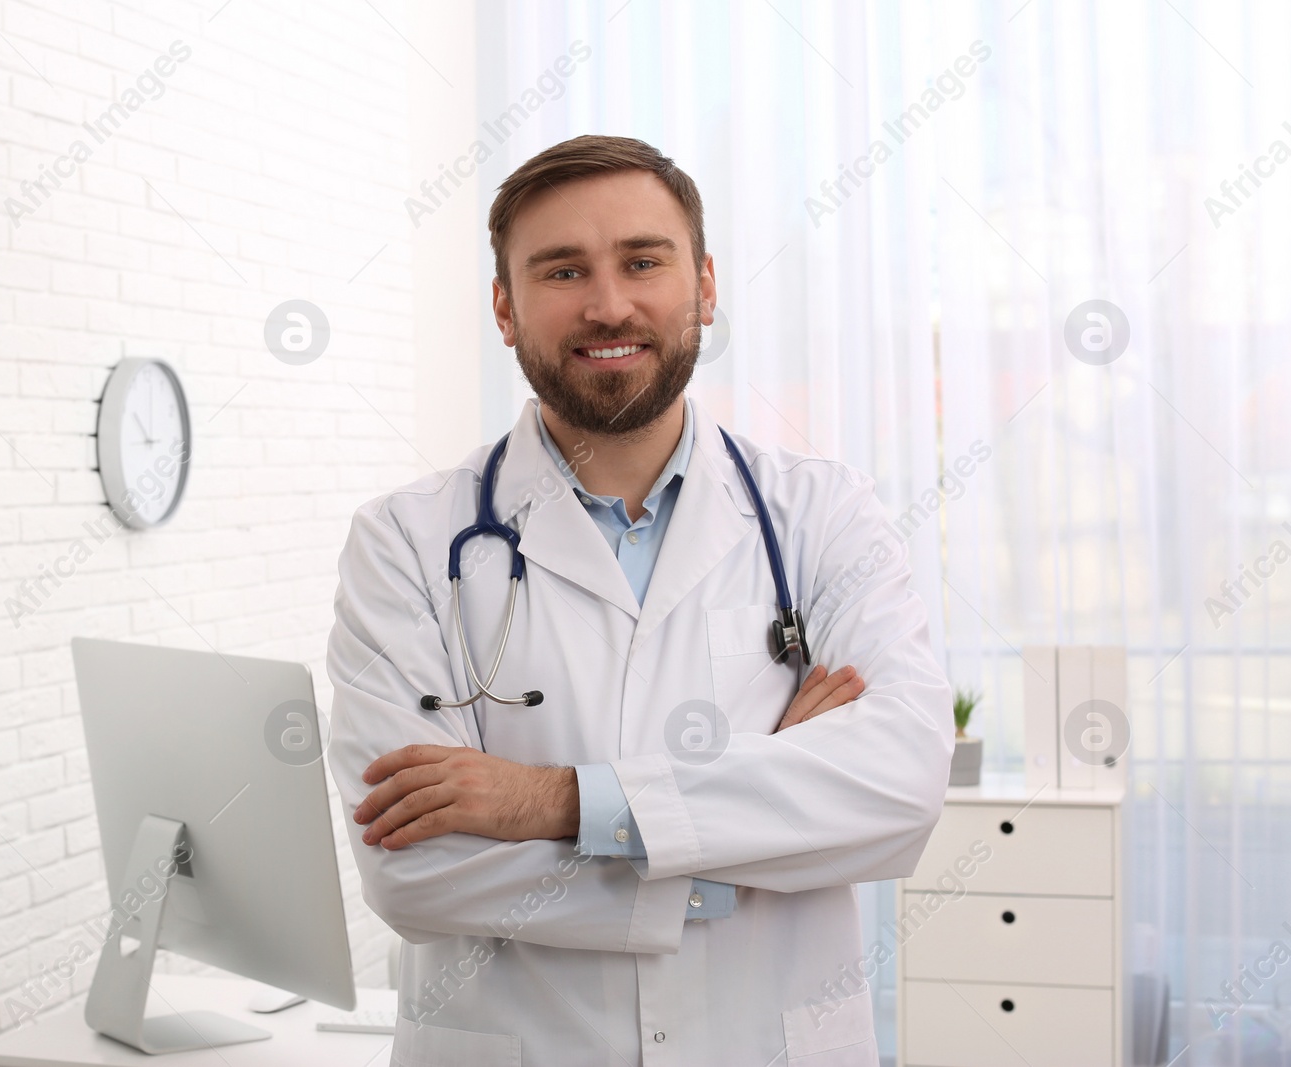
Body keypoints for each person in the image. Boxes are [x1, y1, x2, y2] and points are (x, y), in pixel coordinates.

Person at [326, 134, 952, 1066]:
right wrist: (760, 811)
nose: (608, 303)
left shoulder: (823, 513)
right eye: (563, 269)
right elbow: (413, 874)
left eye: (642, 261)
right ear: (505, 307)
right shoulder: (407, 542)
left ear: (704, 285)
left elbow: (898, 786)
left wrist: (557, 800)